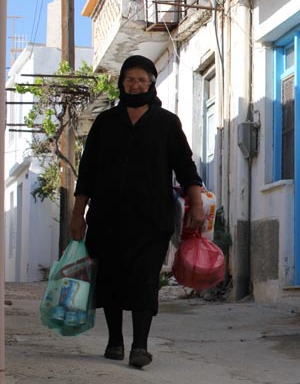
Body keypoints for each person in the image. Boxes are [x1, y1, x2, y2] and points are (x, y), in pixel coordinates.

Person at [70, 55, 204, 369]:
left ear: (151, 83)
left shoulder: (167, 123)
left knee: (144, 280)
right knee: (111, 279)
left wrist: (196, 203)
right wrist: (78, 214)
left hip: (151, 220)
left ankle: (140, 347)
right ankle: (115, 341)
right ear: (121, 83)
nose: (135, 84)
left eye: (142, 79)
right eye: (130, 79)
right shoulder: (105, 122)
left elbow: (185, 167)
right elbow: (87, 172)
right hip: (106, 219)